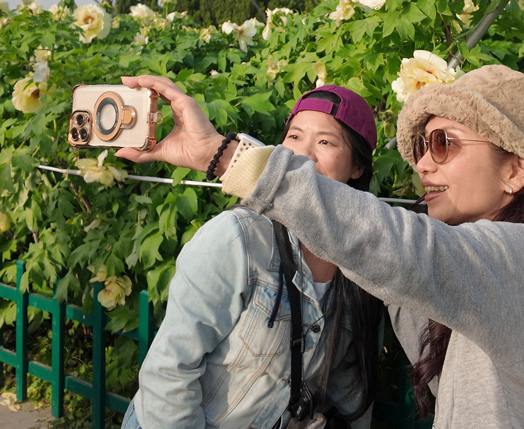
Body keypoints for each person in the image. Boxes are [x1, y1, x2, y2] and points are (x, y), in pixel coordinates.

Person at [118, 64, 524, 428]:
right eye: (421, 147)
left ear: (516, 171)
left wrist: (223, 154)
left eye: (443, 143)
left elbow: (398, 248)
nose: (423, 165)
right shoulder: (240, 238)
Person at [120, 84, 384, 429]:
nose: (302, 155)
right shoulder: (238, 238)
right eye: (294, 137)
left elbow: (348, 392)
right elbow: (170, 373)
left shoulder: (362, 267)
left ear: (357, 167)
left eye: (325, 142)